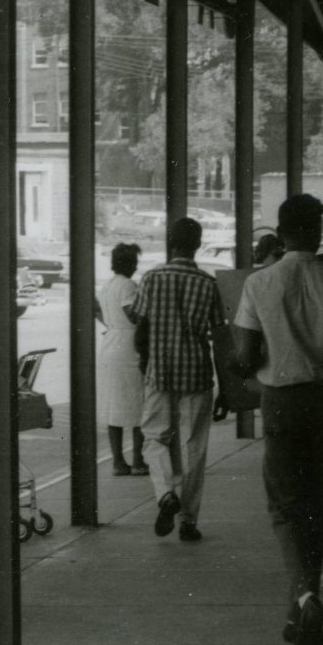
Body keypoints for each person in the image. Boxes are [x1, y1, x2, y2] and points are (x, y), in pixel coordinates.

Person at [233, 194, 323, 645]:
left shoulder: (259, 284)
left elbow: (244, 355)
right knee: (315, 505)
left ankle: (305, 597)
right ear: (317, 232)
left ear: (281, 234)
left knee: (284, 506)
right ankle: (299, 616)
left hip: (281, 402)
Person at [131, 217, 225, 542]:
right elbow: (220, 337)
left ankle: (165, 494)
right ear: (198, 244)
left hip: (159, 372)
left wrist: (147, 363)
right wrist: (226, 388)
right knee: (194, 446)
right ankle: (188, 522)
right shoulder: (208, 283)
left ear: (170, 243)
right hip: (197, 373)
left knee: (154, 438)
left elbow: (141, 330)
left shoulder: (152, 278)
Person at [95, 243, 149, 476]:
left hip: (110, 344)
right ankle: (137, 460)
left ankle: (118, 461)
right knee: (139, 405)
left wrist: (113, 325)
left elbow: (97, 311)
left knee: (113, 406)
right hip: (128, 347)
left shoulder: (107, 286)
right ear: (127, 263)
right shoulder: (128, 285)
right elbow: (133, 314)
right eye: (134, 262)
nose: (136, 266)